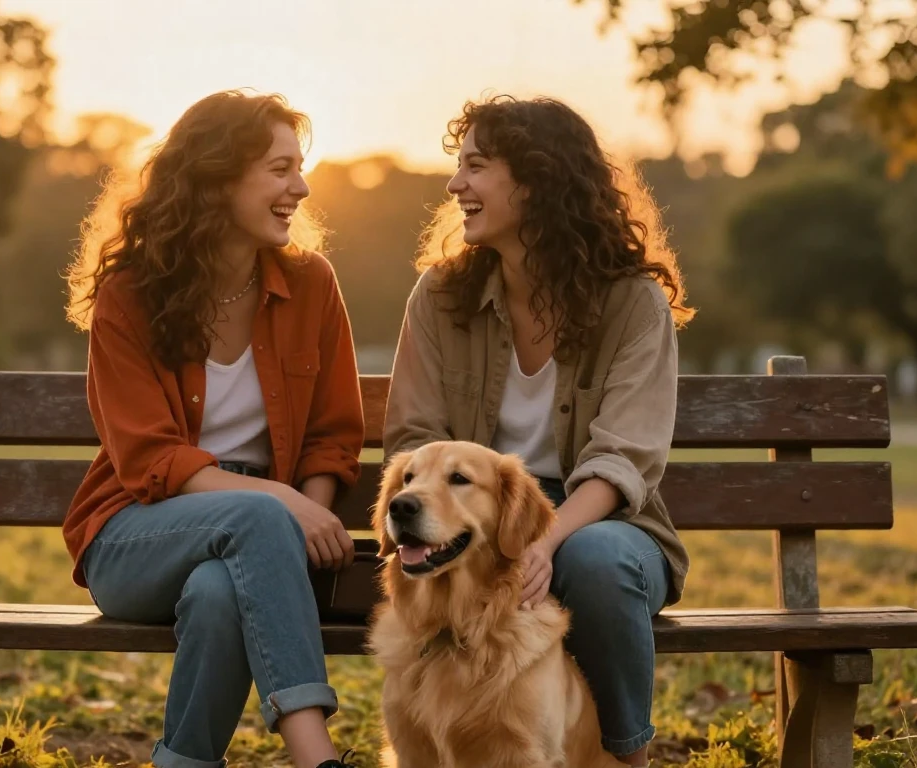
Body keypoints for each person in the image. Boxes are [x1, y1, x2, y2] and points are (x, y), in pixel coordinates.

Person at [383, 94, 695, 767]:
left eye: (476, 168)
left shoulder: (633, 302)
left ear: (537, 180)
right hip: (472, 515)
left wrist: (544, 538)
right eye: (457, 167)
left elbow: (624, 458)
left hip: (603, 522)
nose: (454, 185)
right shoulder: (439, 298)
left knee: (599, 562)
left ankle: (624, 757)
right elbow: (413, 436)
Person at [62, 89, 363, 768]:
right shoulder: (130, 294)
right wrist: (283, 508)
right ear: (219, 177)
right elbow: (147, 458)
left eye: (301, 166)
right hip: (139, 531)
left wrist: (306, 518)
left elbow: (334, 433)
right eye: (280, 169)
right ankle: (319, 758)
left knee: (219, 593)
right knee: (255, 521)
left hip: (266, 544)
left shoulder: (311, 284)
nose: (302, 186)